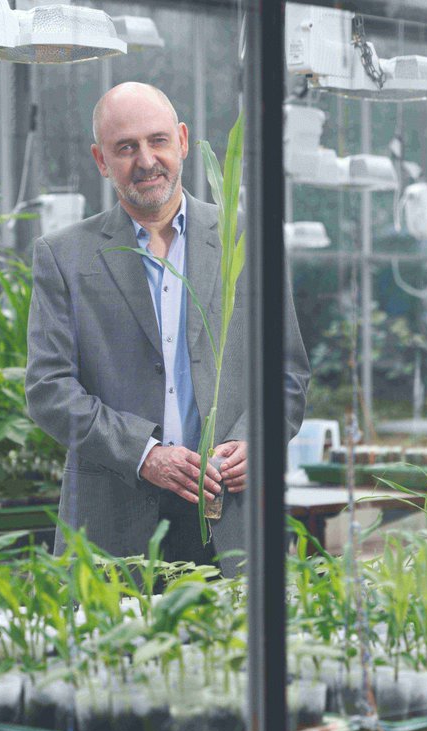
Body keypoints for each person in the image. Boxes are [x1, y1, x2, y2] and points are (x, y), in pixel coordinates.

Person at [25, 82, 309, 569]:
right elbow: (48, 390)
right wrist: (144, 452)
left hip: (231, 519)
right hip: (112, 524)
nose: (146, 160)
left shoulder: (250, 239)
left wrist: (257, 438)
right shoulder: (63, 255)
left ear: (181, 140)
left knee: (232, 648)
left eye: (157, 141)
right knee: (117, 649)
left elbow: (287, 373)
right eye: (125, 148)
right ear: (100, 159)